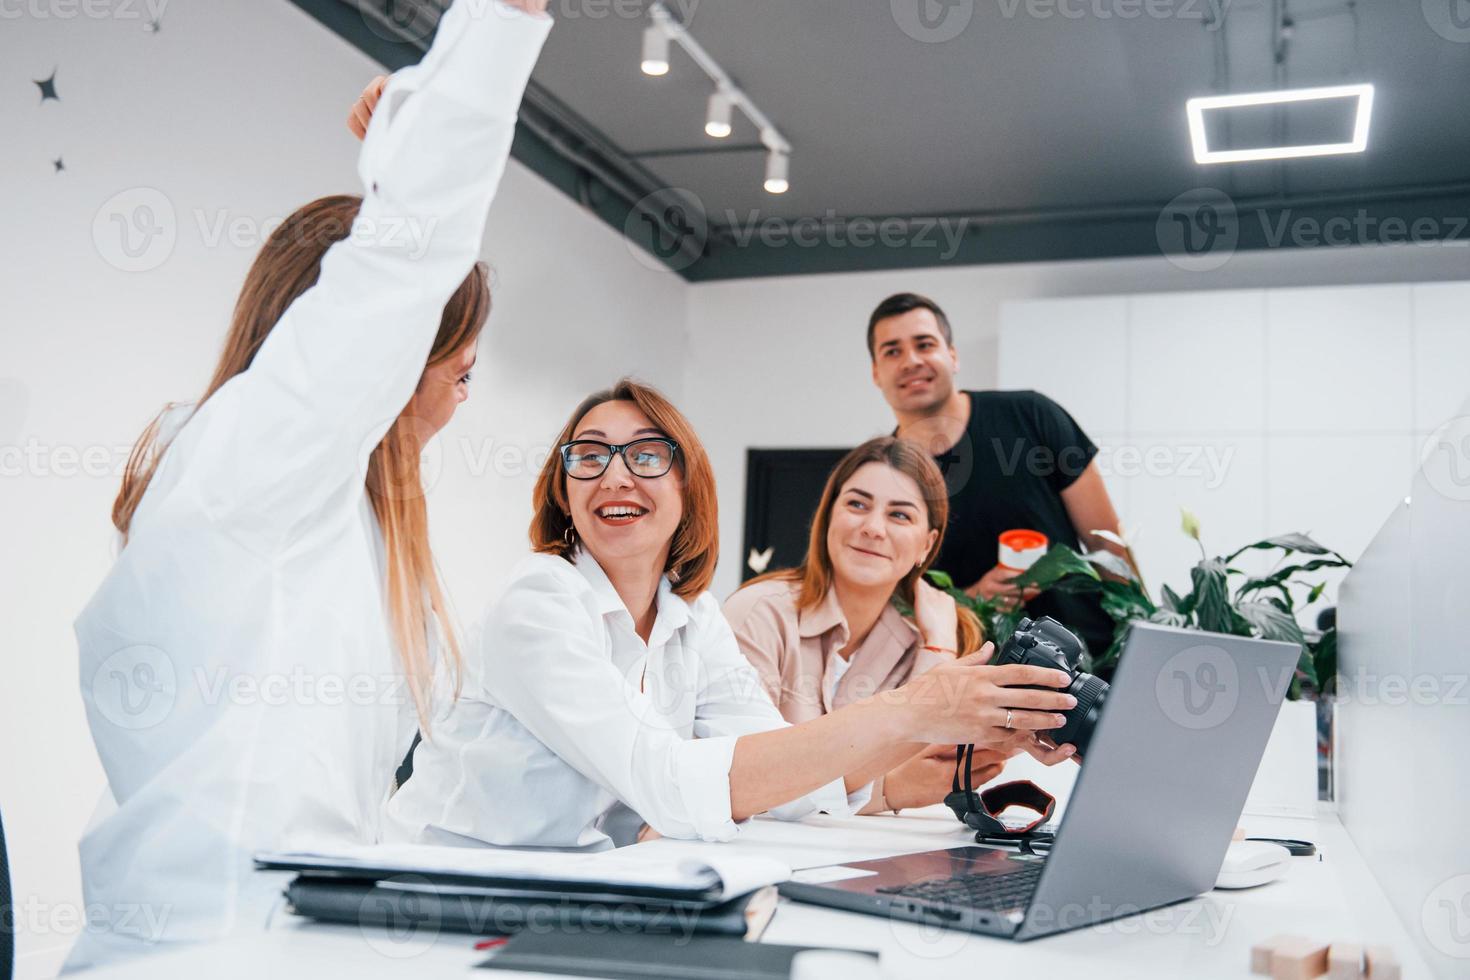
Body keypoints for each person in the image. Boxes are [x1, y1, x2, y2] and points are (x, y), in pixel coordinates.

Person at [69, 1, 553, 967]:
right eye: (457, 372)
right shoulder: (253, 462)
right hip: (213, 953)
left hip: (300, 935)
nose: (462, 401)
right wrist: (495, 31)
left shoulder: (335, 517)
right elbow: (396, 272)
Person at [386, 381, 1077, 849]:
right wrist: (914, 711)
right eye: (589, 457)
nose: (615, 476)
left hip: (594, 888)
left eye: (647, 456)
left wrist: (954, 717)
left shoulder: (692, 615)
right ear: (564, 492)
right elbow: (666, 782)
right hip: (457, 895)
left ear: (687, 486)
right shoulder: (536, 604)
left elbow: (777, 774)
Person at [726, 437, 1043, 814]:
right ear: (829, 516)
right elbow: (747, 786)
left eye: (899, 515)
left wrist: (938, 647)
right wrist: (888, 791)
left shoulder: (926, 636)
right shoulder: (758, 615)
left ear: (927, 545)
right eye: (857, 504)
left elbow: (926, 761)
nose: (873, 528)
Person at [867, 292, 1127, 658]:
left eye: (924, 344)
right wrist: (972, 600)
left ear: (952, 356)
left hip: (1092, 663)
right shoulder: (882, 476)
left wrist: (1141, 637)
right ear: (876, 372)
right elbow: (890, 608)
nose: (911, 360)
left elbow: (1109, 547)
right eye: (892, 351)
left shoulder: (1032, 416)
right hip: (978, 685)